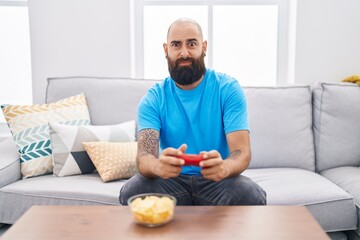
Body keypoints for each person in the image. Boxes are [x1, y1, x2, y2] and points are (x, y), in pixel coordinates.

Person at [119, 18, 266, 205]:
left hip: (218, 181)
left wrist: (224, 167)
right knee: (133, 189)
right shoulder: (153, 99)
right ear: (166, 50)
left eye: (191, 43)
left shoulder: (228, 89)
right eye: (176, 45)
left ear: (204, 47)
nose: (184, 53)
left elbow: (241, 152)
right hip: (171, 182)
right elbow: (144, 157)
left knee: (250, 193)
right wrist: (158, 166)